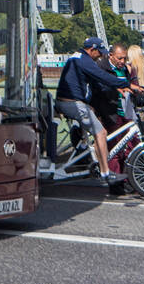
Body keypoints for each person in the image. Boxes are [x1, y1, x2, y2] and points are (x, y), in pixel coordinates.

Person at [54, 37, 131, 184]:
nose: (101, 55)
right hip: (73, 104)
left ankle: (90, 157)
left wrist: (115, 87)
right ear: (92, 50)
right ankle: (106, 173)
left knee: (93, 130)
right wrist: (126, 83)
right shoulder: (85, 61)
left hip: (68, 102)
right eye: (99, 52)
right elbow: (103, 77)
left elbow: (96, 83)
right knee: (101, 133)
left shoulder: (77, 58)